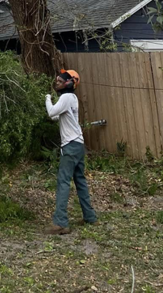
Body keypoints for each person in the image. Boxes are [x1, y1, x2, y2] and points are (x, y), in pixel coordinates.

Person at [45, 69, 97, 234]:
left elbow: (51, 112)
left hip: (70, 145)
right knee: (80, 181)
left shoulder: (66, 97)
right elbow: (55, 116)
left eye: (60, 81)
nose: (57, 83)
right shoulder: (71, 99)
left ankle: (60, 222)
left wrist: (46, 98)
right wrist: (52, 102)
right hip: (78, 145)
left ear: (69, 82)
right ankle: (90, 216)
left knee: (63, 182)